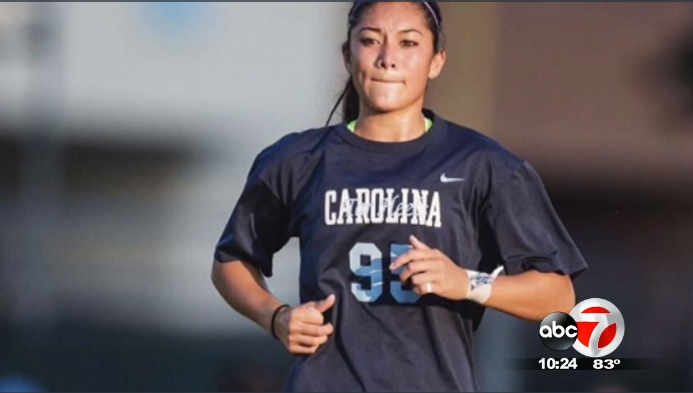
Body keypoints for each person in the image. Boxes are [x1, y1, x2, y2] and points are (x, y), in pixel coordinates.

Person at [211, 2, 587, 391]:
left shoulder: (485, 166)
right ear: (347, 53)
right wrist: (275, 316)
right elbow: (231, 261)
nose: (388, 59)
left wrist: (465, 282)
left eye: (408, 43)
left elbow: (558, 297)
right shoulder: (296, 160)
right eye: (371, 40)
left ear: (436, 60)